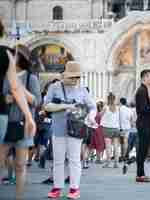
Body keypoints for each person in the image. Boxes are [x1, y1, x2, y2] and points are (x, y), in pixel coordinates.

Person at [44, 61, 97, 199]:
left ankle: (74, 189)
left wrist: (91, 117)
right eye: (72, 77)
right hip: (58, 128)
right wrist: (65, 106)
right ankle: (57, 187)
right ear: (65, 75)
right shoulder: (54, 87)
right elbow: (47, 106)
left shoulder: (82, 90)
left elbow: (92, 107)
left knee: (74, 159)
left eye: (77, 77)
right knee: (58, 160)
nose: (75, 80)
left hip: (76, 129)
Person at [0, 43, 39, 200]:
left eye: (13, 54)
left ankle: (19, 197)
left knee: (20, 165)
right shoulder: (4, 75)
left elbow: (36, 101)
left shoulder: (31, 77)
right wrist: (6, 98)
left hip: (23, 127)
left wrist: (20, 88)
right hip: (5, 123)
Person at [135, 69, 150, 182]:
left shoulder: (144, 89)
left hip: (144, 122)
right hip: (143, 123)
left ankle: (141, 174)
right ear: (145, 77)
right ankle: (140, 174)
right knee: (142, 149)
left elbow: (146, 105)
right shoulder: (141, 90)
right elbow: (142, 108)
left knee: (143, 149)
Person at [100, 92, 121, 168]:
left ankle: (108, 163)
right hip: (116, 128)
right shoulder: (118, 108)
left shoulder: (106, 107)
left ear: (108, 99)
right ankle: (116, 163)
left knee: (108, 146)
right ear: (114, 99)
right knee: (116, 146)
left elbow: (99, 115)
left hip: (107, 128)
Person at [89, 100, 106, 164]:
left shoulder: (95, 113)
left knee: (93, 144)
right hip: (100, 129)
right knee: (99, 145)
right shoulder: (101, 114)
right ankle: (98, 159)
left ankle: (90, 157)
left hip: (93, 129)